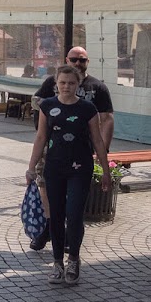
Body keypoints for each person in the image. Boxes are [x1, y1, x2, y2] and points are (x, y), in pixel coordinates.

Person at [26, 65, 109, 286]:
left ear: (78, 85)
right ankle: (57, 263)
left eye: (71, 83)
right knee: (55, 216)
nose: (66, 87)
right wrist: (31, 167)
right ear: (56, 84)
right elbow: (41, 137)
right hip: (54, 168)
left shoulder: (87, 109)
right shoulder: (47, 106)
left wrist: (106, 171)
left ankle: (73, 259)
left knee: (74, 216)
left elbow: (98, 140)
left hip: (80, 168)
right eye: (62, 83)